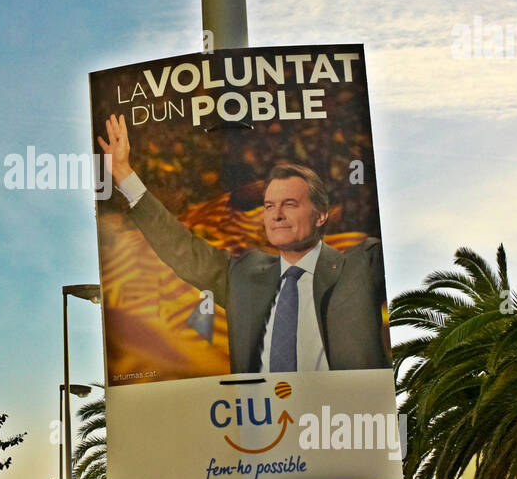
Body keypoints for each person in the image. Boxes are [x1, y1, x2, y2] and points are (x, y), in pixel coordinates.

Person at [98, 113, 389, 374]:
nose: (276, 215)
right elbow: (181, 248)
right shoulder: (244, 275)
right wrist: (124, 173)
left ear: (321, 215)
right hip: (261, 427)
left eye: (290, 204)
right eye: (269, 206)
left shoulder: (360, 265)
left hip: (339, 426)